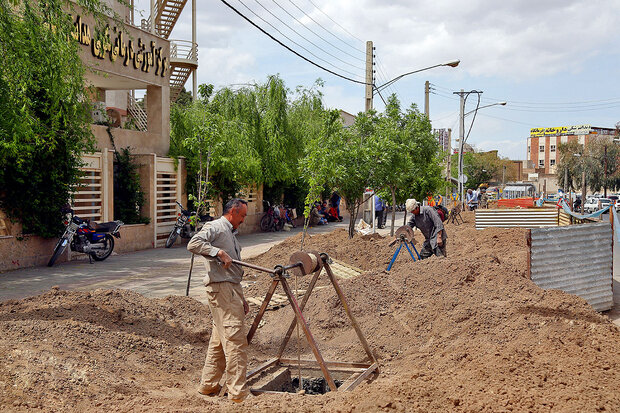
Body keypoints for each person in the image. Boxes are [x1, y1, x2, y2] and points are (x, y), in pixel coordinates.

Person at [187, 198, 250, 403]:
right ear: (232, 211)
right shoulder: (215, 227)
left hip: (230, 289)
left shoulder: (230, 232)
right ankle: (238, 393)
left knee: (218, 340)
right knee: (235, 340)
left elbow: (233, 271)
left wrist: (242, 298)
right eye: (242, 216)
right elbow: (194, 243)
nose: (243, 220)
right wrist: (218, 252)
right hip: (221, 288)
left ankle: (208, 385)